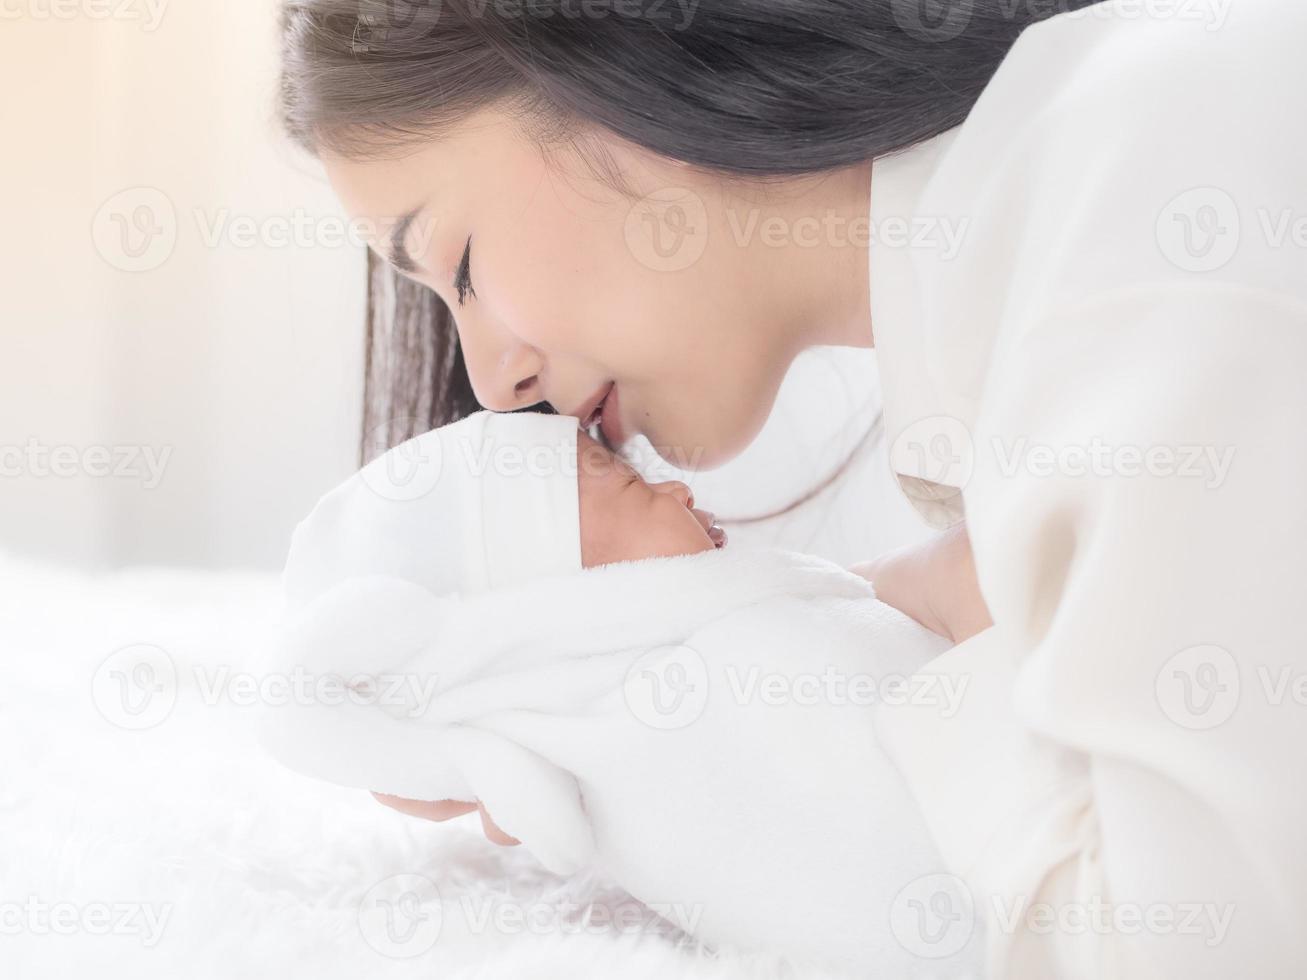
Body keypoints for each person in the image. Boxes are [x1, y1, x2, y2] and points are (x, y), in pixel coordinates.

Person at [277, 0, 1307, 975]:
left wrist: (952, 606)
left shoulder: (1143, 218)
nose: (494, 379)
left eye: (457, 266)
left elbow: (1191, 950)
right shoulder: (1073, 207)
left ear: (618, 52)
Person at [261, 409, 977, 973]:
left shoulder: (660, 672)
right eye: (633, 486)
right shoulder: (686, 688)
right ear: (562, 595)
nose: (678, 488)